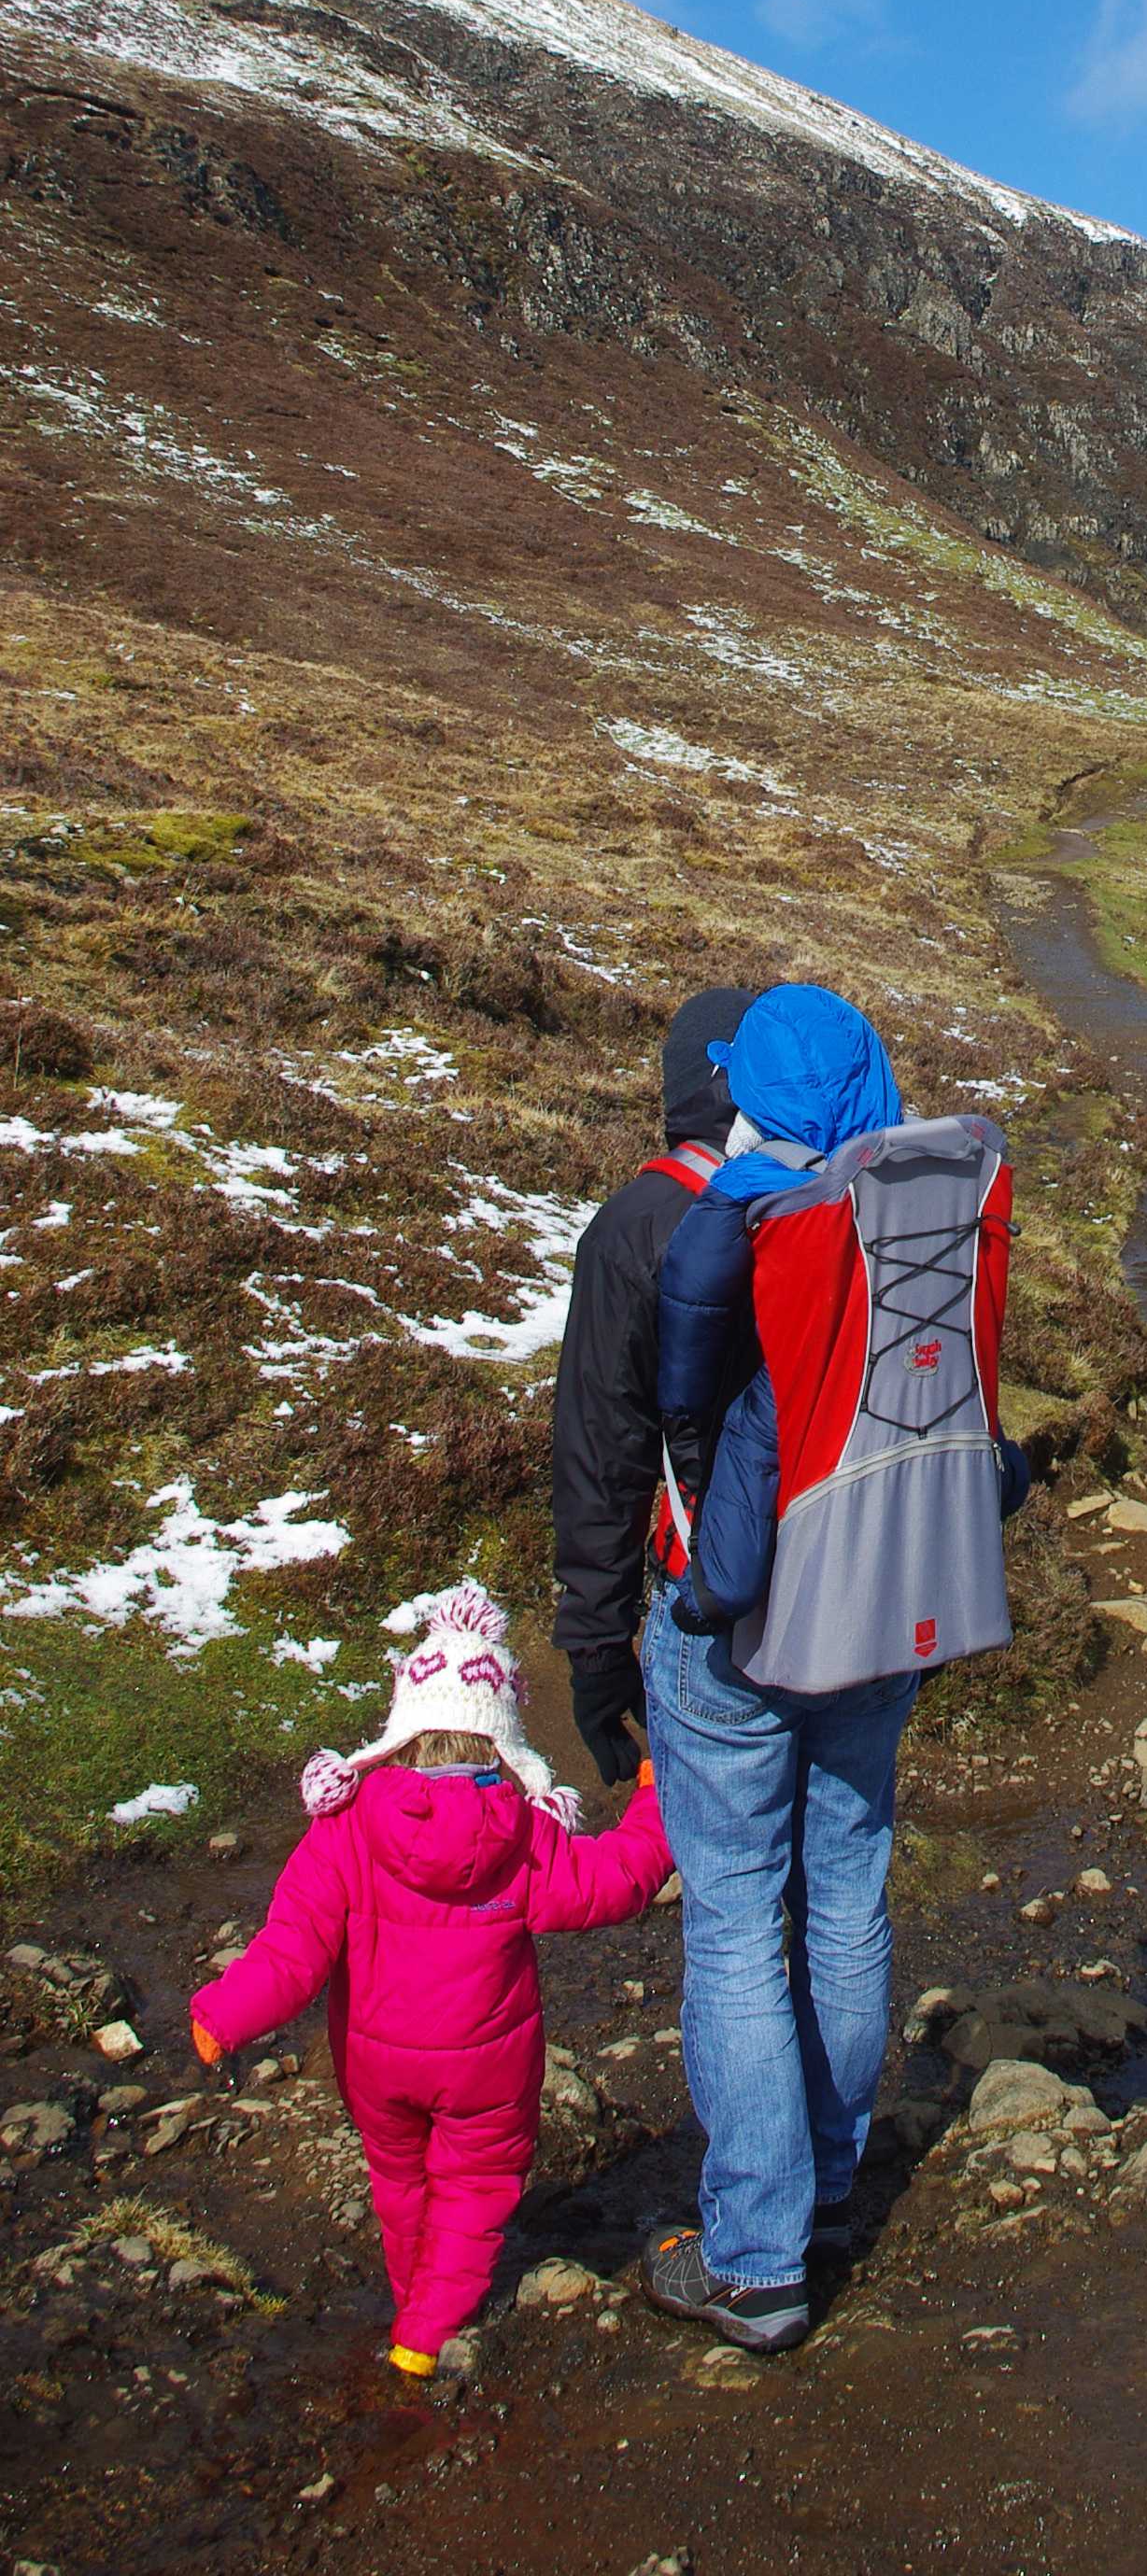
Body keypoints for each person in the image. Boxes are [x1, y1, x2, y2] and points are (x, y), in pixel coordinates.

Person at [637, 983, 1030, 2355]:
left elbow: (686, 1395)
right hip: (891, 1602)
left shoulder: (743, 1215)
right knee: (848, 1890)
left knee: (740, 1919)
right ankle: (827, 2183)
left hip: (755, 1616)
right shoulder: (933, 1188)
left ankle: (755, 2260)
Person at [188, 1581, 672, 2378]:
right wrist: (656, 1803)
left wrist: (221, 2016)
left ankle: (412, 2293)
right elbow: (618, 1878)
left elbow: (290, 1952)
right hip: (486, 2069)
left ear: (402, 1733)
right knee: (475, 2193)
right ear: (500, 1741)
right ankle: (425, 2332)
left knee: (399, 2181)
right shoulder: (523, 1836)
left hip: (376, 2064)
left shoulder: (343, 1828)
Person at [552, 986, 748, 1785]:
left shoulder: (636, 1227)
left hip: (710, 1599)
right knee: (841, 1868)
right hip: (852, 1590)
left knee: (728, 1877)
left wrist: (598, 1643)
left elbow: (604, 1454)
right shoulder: (839, 1199)